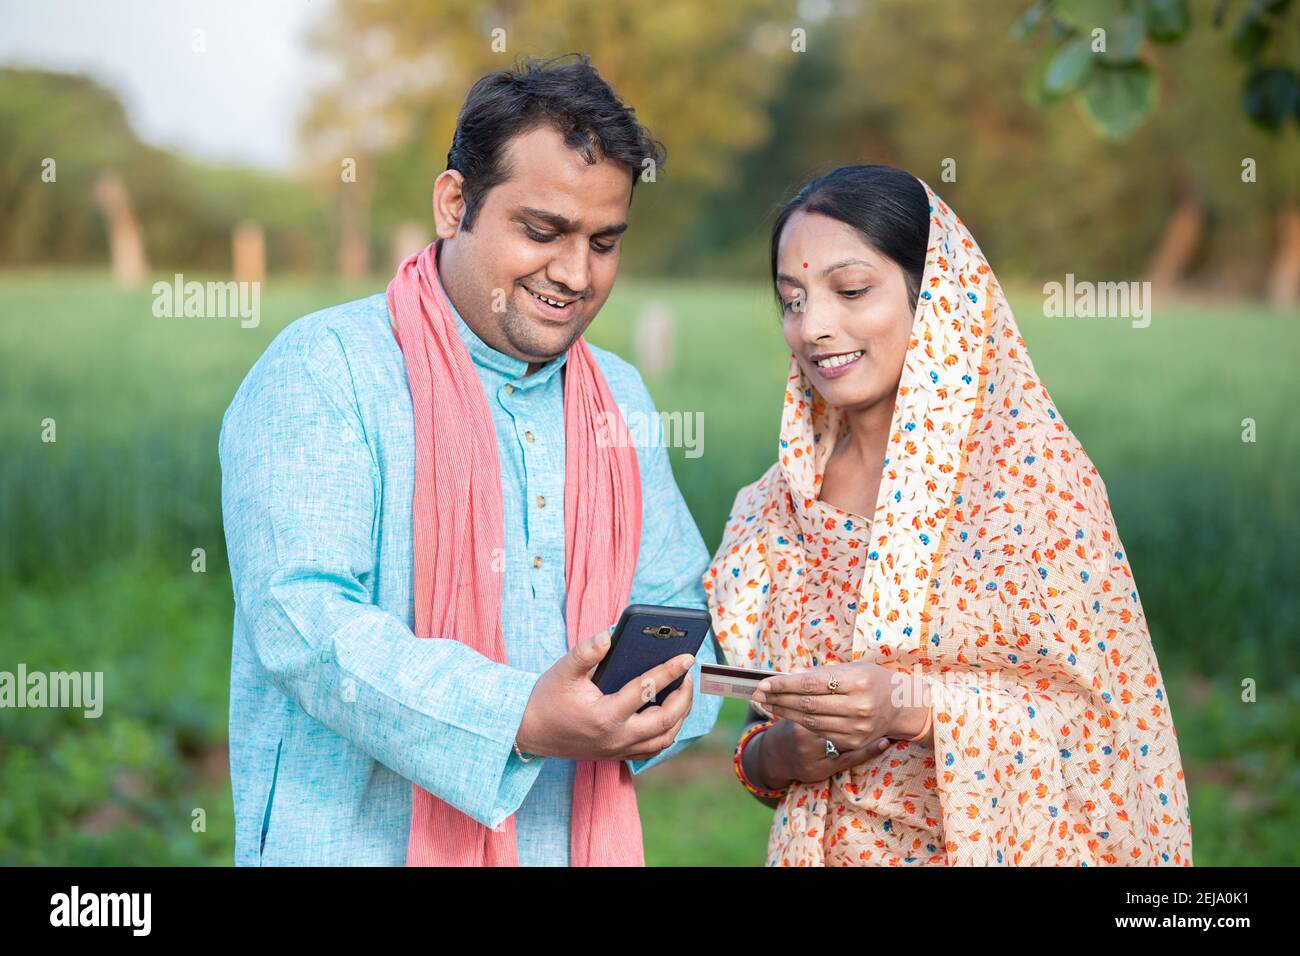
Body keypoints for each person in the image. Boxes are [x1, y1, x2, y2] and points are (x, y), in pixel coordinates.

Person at [220, 54, 721, 867]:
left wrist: (663, 701)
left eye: (604, 241)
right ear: (455, 204)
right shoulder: (326, 368)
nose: (575, 273)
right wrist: (519, 716)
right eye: (542, 230)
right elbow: (304, 622)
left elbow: (673, 607)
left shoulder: (616, 398)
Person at [704, 164, 1192, 866]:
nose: (813, 327)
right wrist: (780, 755)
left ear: (936, 296)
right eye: (792, 300)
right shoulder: (777, 505)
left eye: (850, 290)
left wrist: (908, 706)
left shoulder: (1034, 485)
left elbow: (1108, 739)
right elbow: (759, 747)